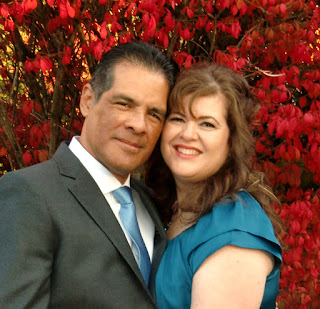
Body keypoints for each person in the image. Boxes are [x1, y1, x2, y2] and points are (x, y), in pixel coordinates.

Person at [0, 41, 178, 308]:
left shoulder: (151, 202)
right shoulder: (29, 194)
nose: (139, 125)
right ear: (87, 100)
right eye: (124, 104)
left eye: (154, 114)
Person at [146, 62, 283, 308]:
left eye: (207, 124)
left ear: (232, 141)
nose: (188, 134)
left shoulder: (233, 233)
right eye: (178, 118)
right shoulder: (166, 208)